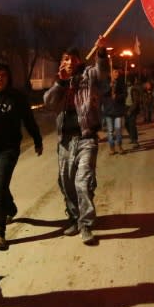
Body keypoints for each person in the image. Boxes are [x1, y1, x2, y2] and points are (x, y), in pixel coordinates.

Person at [43, 38, 108, 245]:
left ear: (78, 60)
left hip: (86, 138)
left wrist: (101, 53)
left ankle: (86, 224)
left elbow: (103, 72)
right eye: (65, 58)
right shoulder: (60, 80)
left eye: (72, 59)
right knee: (66, 182)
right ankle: (74, 216)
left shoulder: (88, 75)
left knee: (82, 181)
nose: (68, 62)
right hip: (65, 141)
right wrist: (60, 83)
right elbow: (48, 103)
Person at [0, 60, 43, 251]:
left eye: (2, 75)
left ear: (8, 78)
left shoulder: (17, 97)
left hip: (8, 149)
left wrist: (37, 139)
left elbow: (28, 120)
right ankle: (11, 208)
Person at [101, 66, 127, 155]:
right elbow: (102, 93)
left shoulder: (121, 82)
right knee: (110, 131)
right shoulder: (105, 82)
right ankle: (112, 147)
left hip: (118, 110)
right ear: (110, 73)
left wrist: (117, 97)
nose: (117, 74)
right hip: (108, 111)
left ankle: (119, 146)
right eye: (115, 72)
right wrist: (109, 87)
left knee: (118, 129)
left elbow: (125, 94)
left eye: (117, 72)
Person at [124, 75, 141, 148]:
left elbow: (136, 102)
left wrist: (130, 110)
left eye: (129, 81)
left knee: (132, 124)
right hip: (125, 107)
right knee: (126, 124)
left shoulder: (134, 89)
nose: (128, 82)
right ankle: (131, 137)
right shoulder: (125, 88)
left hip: (132, 108)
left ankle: (135, 141)